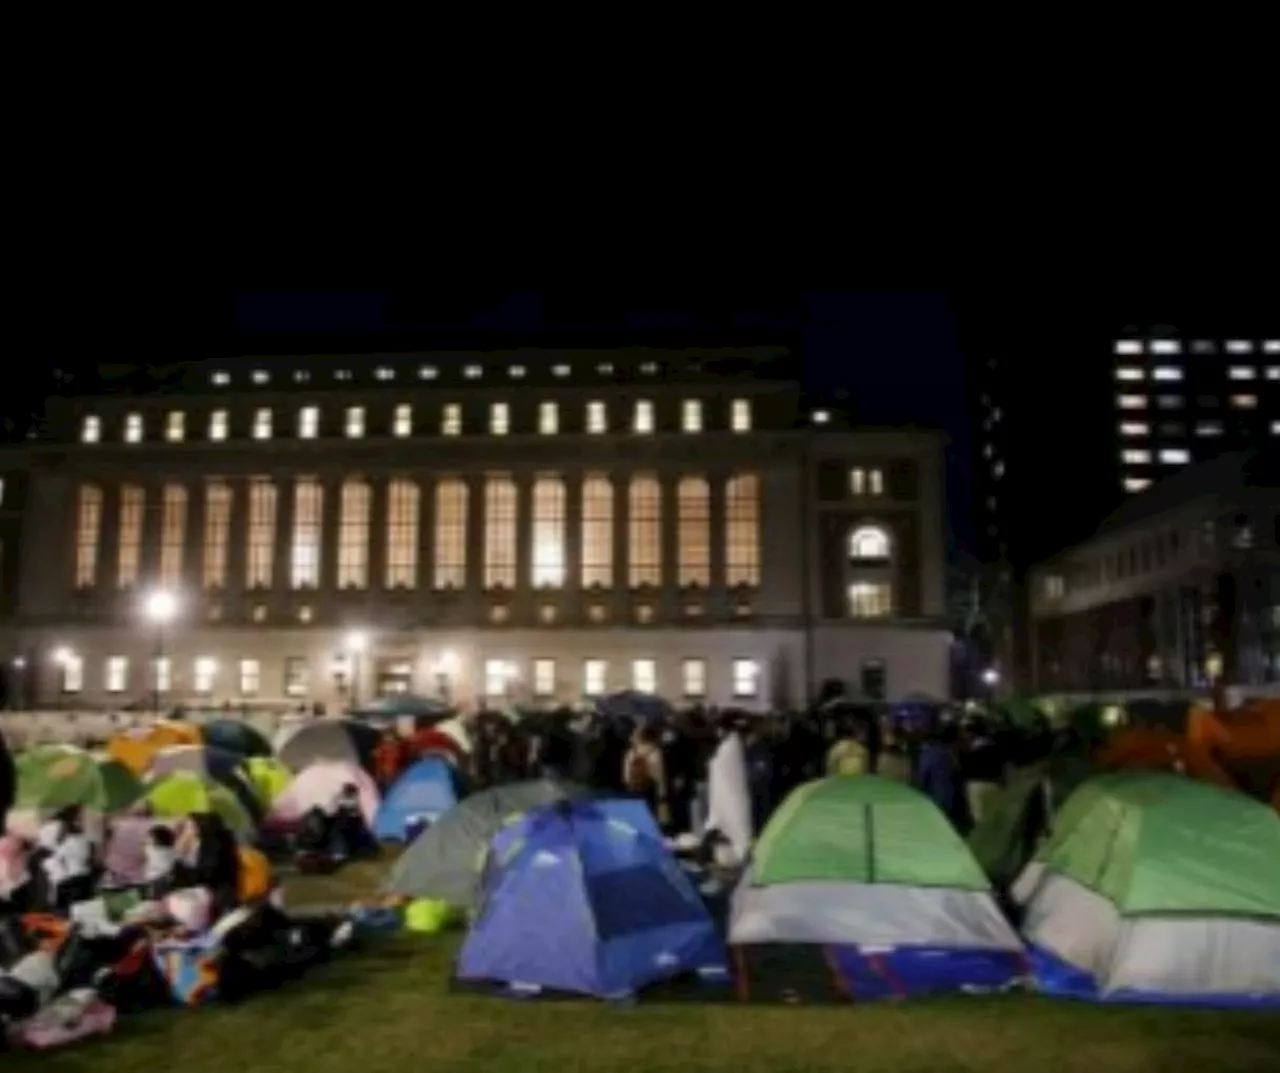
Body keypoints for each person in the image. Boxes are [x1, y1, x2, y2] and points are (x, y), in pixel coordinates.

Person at [40, 806, 95, 911]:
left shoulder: (65, 840)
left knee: (67, 910)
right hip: (82, 877)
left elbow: (55, 856)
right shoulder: (82, 840)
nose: (82, 821)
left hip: (69, 878)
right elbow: (87, 858)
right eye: (79, 819)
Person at [623, 724, 669, 827]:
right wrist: (662, 792)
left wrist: (630, 784)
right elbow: (659, 775)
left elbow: (626, 776)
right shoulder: (655, 752)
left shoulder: (631, 753)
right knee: (651, 818)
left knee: (636, 818)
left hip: (634, 789)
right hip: (650, 789)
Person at [142, 825, 177, 898]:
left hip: (156, 880)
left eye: (149, 838)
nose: (146, 840)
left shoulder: (151, 850)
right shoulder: (171, 851)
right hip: (166, 878)